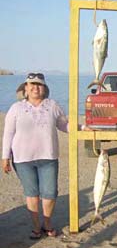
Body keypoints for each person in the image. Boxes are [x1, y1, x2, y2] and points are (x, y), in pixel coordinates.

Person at [2, 72, 69, 239]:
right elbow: (8, 133)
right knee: (32, 193)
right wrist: (5, 157)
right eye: (31, 84)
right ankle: (36, 227)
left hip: (48, 157)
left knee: (50, 193)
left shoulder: (52, 105)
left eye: (39, 84)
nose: (35, 87)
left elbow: (64, 125)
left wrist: (82, 128)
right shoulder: (16, 108)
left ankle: (47, 223)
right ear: (25, 88)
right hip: (23, 160)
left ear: (44, 88)